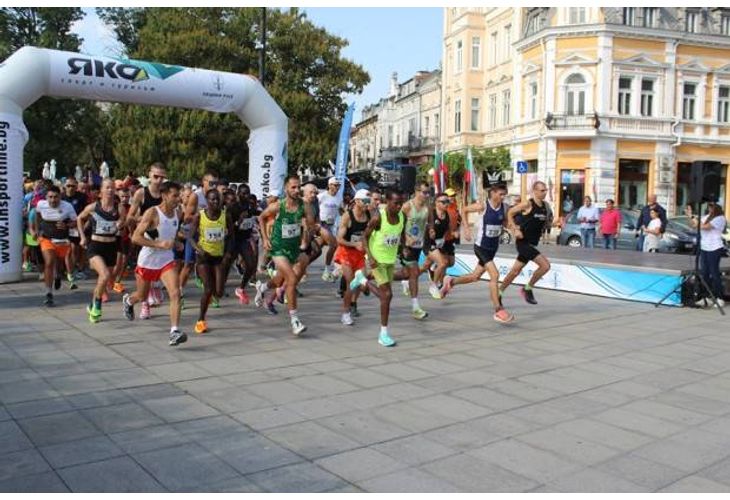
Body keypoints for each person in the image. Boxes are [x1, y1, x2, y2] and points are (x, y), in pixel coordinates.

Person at [123, 181, 187, 346]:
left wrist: (177, 242)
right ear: (165, 196)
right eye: (175, 196)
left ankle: (174, 331)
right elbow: (136, 237)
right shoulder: (152, 213)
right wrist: (159, 244)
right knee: (142, 296)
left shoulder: (178, 213)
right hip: (148, 260)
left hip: (166, 260)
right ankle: (129, 301)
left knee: (175, 293)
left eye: (179, 195)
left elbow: (171, 233)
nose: (178, 199)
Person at [441, 184, 514, 323]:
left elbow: (503, 222)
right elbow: (464, 210)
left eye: (505, 194)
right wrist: (466, 228)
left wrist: (512, 227)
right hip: (481, 247)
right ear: (492, 193)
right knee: (495, 275)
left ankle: (451, 281)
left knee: (475, 276)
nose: (503, 197)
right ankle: (498, 310)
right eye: (500, 194)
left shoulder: (504, 208)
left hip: (493, 248)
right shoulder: (483, 206)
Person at [254, 175, 315, 336]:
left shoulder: (305, 206)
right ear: (286, 189)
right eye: (293, 187)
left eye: (298, 187)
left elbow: (310, 226)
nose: (297, 190)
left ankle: (263, 287)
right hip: (278, 249)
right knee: (292, 279)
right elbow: (261, 217)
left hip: (294, 248)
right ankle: (295, 320)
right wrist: (265, 239)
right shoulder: (278, 206)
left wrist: (306, 238)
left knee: (279, 280)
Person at [350, 187, 405, 347]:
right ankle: (383, 334)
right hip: (377, 260)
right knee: (386, 296)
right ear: (387, 202)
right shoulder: (377, 218)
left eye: (401, 203)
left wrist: (403, 247)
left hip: (390, 260)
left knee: (386, 295)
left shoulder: (402, 216)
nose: (399, 206)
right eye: (396, 203)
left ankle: (363, 280)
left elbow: (399, 233)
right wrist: (370, 257)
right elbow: (364, 237)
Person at [77, 179, 125, 323]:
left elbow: (123, 221)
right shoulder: (93, 207)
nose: (110, 191)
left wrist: (120, 225)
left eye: (112, 188)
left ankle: (91, 304)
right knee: (103, 275)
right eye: (107, 188)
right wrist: (82, 237)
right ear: (101, 192)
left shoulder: (119, 207)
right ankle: (97, 306)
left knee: (105, 280)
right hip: (95, 246)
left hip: (111, 247)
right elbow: (79, 218)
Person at [500, 181, 551, 305]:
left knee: (515, 271)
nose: (545, 193)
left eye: (546, 190)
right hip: (523, 243)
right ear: (535, 191)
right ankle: (527, 288)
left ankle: (499, 292)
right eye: (542, 190)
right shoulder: (528, 204)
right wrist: (515, 229)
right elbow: (510, 213)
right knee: (545, 266)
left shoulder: (546, 206)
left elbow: (544, 222)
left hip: (532, 243)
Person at [190, 189, 233, 334]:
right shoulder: (199, 216)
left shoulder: (225, 215)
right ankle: (200, 320)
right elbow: (190, 237)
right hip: (203, 258)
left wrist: (228, 253)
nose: (215, 202)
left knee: (219, 293)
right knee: (208, 290)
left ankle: (209, 285)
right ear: (207, 201)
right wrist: (197, 248)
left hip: (218, 258)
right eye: (212, 199)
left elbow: (232, 237)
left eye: (217, 199)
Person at [32, 186, 77, 306]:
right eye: (50, 197)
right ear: (46, 197)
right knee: (49, 261)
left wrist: (67, 225)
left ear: (60, 197)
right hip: (46, 238)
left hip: (62, 239)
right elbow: (36, 215)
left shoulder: (67, 206)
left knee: (58, 262)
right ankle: (48, 293)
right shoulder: (41, 204)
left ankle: (57, 275)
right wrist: (36, 230)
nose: (53, 200)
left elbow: (75, 221)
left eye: (55, 197)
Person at [334, 189, 371, 326]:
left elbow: (368, 235)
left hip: (360, 254)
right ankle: (345, 313)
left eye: (368, 201)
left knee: (361, 284)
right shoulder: (347, 216)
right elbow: (339, 239)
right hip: (346, 253)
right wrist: (354, 244)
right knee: (351, 284)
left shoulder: (368, 214)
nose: (367, 203)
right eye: (365, 201)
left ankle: (354, 301)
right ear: (356, 201)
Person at [181, 170, 219, 292]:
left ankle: (211, 293)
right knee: (188, 265)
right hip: (194, 234)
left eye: (216, 183)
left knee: (213, 264)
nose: (214, 186)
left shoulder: (217, 195)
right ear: (204, 182)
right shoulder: (196, 196)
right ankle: (179, 292)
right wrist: (202, 215)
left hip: (210, 235)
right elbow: (186, 217)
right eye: (212, 183)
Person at [397, 182, 431, 320]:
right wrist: (405, 241)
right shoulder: (407, 206)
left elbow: (431, 221)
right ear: (416, 191)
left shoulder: (427, 207)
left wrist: (432, 229)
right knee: (414, 273)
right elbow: (397, 225)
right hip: (407, 246)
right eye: (424, 192)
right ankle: (416, 307)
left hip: (418, 245)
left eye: (428, 192)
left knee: (406, 274)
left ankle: (370, 276)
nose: (426, 195)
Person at [688, 203, 726, 307]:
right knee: (704, 273)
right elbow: (694, 226)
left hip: (715, 247)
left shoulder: (720, 218)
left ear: (717, 208)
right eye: (709, 206)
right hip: (704, 247)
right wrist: (690, 216)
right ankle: (706, 297)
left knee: (714, 272)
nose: (710, 208)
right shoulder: (705, 217)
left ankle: (720, 297)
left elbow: (705, 227)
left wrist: (696, 220)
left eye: (712, 206)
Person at [231, 185, 260, 305]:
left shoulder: (249, 205)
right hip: (233, 240)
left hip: (244, 240)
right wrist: (238, 222)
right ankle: (215, 290)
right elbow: (229, 226)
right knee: (224, 266)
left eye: (247, 193)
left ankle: (241, 289)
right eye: (243, 193)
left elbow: (257, 213)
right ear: (238, 194)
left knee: (252, 264)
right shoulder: (233, 207)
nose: (246, 196)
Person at [424, 193, 455, 299]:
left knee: (450, 263)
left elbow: (448, 228)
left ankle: (407, 279)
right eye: (443, 202)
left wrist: (453, 233)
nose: (446, 204)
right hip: (429, 243)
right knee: (442, 263)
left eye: (447, 201)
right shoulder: (431, 214)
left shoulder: (447, 214)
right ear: (436, 203)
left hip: (440, 243)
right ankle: (433, 285)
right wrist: (429, 230)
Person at [62, 178, 88, 288]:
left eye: (73, 186)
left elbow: (85, 212)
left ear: (76, 187)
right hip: (63, 227)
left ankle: (80, 269)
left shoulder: (81, 197)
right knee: (70, 249)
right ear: (65, 186)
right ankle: (69, 271)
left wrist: (81, 224)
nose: (70, 188)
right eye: (68, 186)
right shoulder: (61, 196)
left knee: (79, 248)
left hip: (78, 226)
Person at [318, 177, 342, 282]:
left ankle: (301, 266)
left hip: (331, 225)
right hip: (321, 224)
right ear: (329, 185)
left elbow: (340, 210)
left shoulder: (338, 197)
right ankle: (327, 271)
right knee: (334, 244)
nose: (337, 187)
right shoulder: (322, 196)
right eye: (335, 185)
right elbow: (313, 206)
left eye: (338, 185)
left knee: (316, 250)